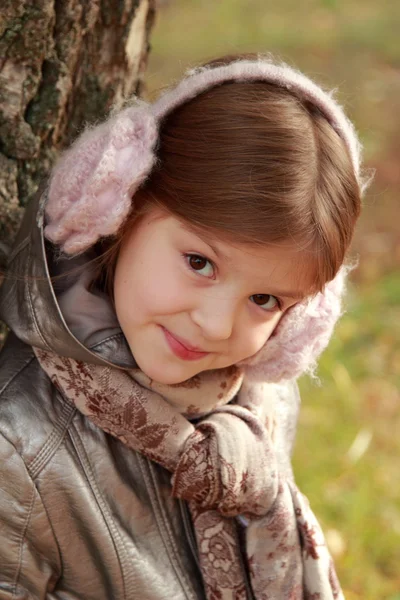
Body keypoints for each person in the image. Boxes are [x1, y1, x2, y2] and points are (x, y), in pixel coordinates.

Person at [0, 53, 368, 600]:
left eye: (264, 298)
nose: (217, 327)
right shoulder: (18, 448)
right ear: (117, 206)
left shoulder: (260, 391)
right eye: (199, 262)